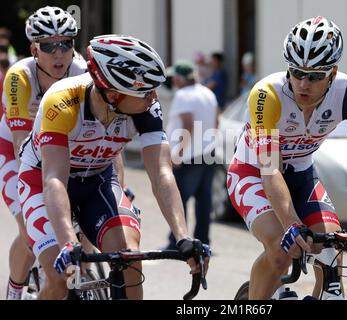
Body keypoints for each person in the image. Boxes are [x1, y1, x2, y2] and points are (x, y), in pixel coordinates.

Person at [226, 16, 347, 300]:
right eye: (296, 72)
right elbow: (269, 170)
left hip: (302, 176)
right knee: (281, 252)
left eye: (316, 76)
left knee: (333, 250)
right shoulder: (266, 95)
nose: (303, 83)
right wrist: (292, 223)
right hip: (253, 173)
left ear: (333, 73)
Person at [17, 34, 210, 300]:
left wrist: (183, 237)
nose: (154, 97)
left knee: (129, 257)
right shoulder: (62, 101)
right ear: (113, 92)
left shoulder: (146, 108)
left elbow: (161, 174)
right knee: (61, 277)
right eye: (145, 90)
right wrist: (67, 243)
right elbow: (54, 180)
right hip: (42, 181)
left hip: (98, 179)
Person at [0, 6, 87, 300]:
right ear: (34, 50)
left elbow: (105, 137)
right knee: (30, 228)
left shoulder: (83, 72)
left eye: (66, 44)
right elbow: (21, 143)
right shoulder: (18, 78)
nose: (59, 53)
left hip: (60, 148)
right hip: (16, 152)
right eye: (50, 46)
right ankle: (14, 291)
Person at [164, 60, 218, 249]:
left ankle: (177, 241)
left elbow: (187, 124)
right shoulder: (207, 92)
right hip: (207, 153)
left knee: (178, 199)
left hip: (189, 156)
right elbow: (216, 122)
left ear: (179, 78)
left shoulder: (183, 95)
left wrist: (177, 153)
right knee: (204, 201)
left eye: (174, 78)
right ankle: (203, 241)